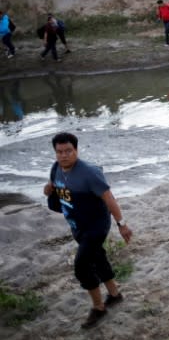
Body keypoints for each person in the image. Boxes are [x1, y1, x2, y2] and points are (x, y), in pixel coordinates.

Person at [43, 132, 133, 329]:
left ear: (76, 150)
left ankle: (99, 308)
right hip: (77, 226)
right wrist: (48, 190)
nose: (64, 155)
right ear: (55, 153)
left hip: (96, 225)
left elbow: (109, 198)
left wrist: (122, 224)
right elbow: (55, 189)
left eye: (68, 151)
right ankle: (115, 295)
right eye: (59, 152)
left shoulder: (89, 173)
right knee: (97, 257)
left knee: (82, 266)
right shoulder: (56, 168)